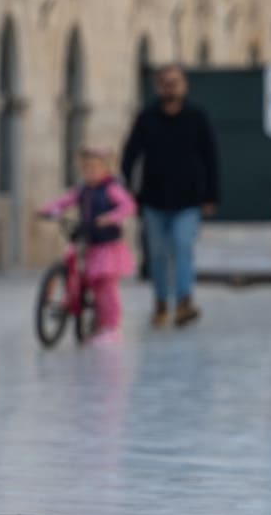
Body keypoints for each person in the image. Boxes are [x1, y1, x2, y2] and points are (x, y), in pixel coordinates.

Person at [119, 64, 220, 327]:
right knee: (158, 254)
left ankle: (184, 301)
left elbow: (210, 157)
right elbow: (131, 153)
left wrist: (211, 195)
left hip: (188, 200)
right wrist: (126, 187)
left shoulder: (197, 117)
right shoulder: (147, 117)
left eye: (175, 82)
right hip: (153, 199)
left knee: (183, 247)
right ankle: (161, 302)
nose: (170, 87)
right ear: (158, 86)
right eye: (165, 82)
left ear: (184, 85)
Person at [40, 146, 139, 345]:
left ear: (105, 169)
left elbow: (128, 206)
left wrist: (111, 217)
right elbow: (65, 201)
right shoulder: (83, 190)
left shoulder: (111, 188)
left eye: (95, 168)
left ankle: (111, 327)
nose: (90, 172)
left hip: (106, 244)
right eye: (86, 169)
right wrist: (49, 209)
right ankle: (73, 301)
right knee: (75, 266)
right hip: (88, 240)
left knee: (105, 287)